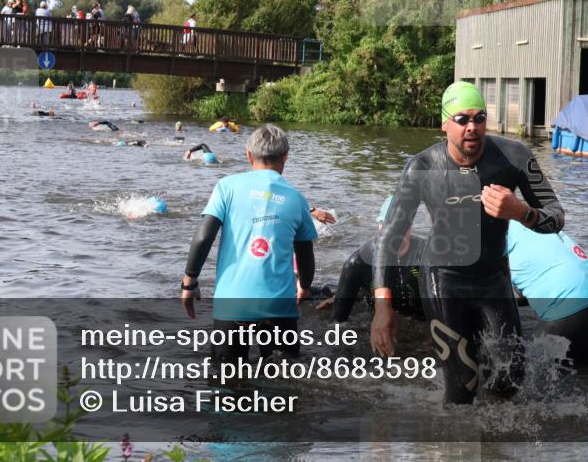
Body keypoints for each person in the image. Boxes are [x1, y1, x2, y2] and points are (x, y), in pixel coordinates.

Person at [372, 81, 565, 405]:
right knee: (463, 383)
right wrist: (383, 306)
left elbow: (557, 217)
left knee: (510, 379)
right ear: (444, 123)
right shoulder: (421, 167)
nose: (472, 127)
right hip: (443, 278)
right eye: (462, 119)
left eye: (479, 118)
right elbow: (388, 239)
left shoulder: (514, 157)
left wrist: (521, 212)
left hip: (493, 278)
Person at [180, 124, 318, 362]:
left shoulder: (227, 187)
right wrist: (304, 287)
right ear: (285, 157)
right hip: (279, 307)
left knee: (226, 381)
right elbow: (305, 255)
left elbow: (203, 237)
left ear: (249, 156)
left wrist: (189, 283)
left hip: (232, 304)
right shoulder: (297, 199)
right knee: (282, 383)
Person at [506, 223, 588, 364]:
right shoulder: (530, 221)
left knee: (530, 373)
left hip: (572, 311)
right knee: (584, 371)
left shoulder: (492, 234)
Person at [317, 196, 424, 323]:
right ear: (379, 226)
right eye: (388, 226)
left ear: (410, 226)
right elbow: (337, 323)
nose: (394, 233)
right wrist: (344, 296)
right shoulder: (357, 262)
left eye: (400, 227)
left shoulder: (426, 256)